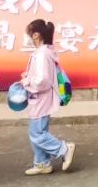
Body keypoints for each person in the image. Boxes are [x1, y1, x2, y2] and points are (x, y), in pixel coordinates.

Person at [21, 19, 76, 175]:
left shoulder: (42, 54)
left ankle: (64, 149)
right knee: (38, 131)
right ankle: (42, 163)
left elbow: (42, 80)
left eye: (29, 34)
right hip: (40, 99)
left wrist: (26, 82)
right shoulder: (44, 52)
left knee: (37, 133)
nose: (28, 37)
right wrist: (28, 77)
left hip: (40, 98)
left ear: (36, 35)